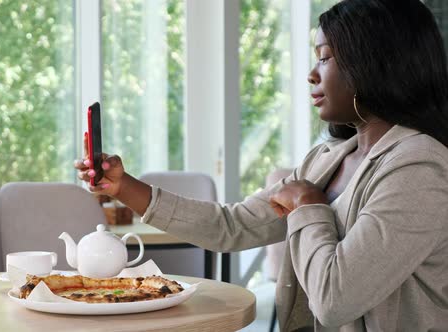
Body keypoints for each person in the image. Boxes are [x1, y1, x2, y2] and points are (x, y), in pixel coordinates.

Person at [74, 0, 448, 330]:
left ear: (375, 61)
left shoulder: (419, 168)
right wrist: (123, 187)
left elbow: (336, 299)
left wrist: (309, 207)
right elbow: (231, 225)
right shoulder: (327, 159)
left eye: (324, 56)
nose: (311, 74)